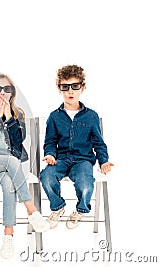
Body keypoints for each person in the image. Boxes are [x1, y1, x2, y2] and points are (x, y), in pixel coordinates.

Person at [0, 74, 49, 259]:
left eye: (7, 89)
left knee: (8, 184)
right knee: (11, 161)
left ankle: (8, 236)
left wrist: (9, 118)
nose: (2, 93)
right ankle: (31, 209)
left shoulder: (18, 113)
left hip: (11, 166)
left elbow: (18, 140)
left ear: (12, 92)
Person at [40, 64, 114, 230]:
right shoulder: (54, 117)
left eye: (75, 86)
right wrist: (50, 154)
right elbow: (50, 141)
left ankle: (80, 209)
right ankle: (58, 207)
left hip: (83, 160)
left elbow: (99, 143)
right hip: (61, 159)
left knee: (85, 182)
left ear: (83, 87)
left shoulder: (91, 116)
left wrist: (104, 161)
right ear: (59, 89)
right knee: (46, 176)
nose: (70, 91)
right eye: (65, 87)